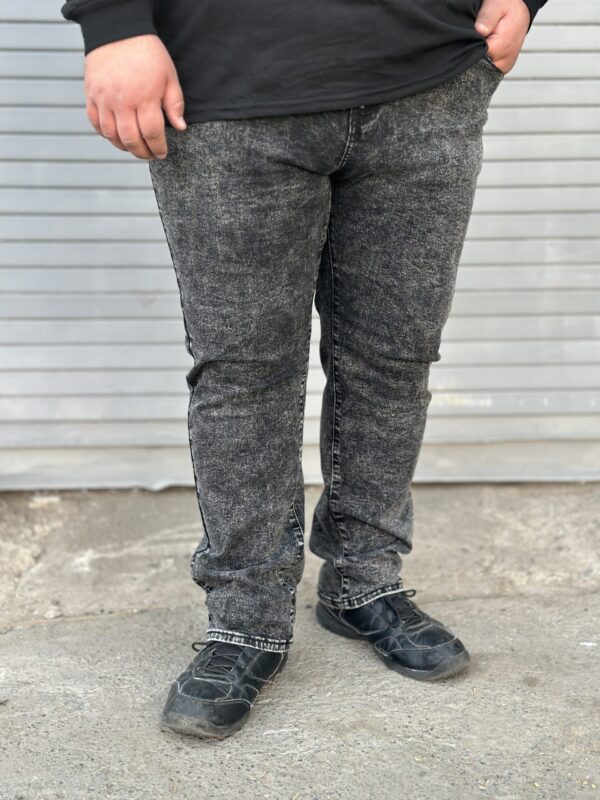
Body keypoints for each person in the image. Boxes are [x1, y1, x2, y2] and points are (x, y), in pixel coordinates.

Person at [60, 0, 548, 739]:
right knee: (245, 375)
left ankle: (362, 580)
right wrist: (114, 22)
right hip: (224, 83)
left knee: (393, 360)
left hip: (428, 76)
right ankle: (246, 620)